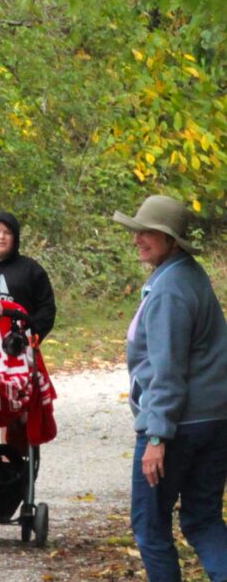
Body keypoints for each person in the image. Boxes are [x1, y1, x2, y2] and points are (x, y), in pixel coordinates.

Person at [114, 194, 227, 582]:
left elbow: (167, 370)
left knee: (150, 526)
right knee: (202, 518)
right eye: (138, 230)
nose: (138, 239)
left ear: (172, 241)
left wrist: (157, 437)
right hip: (213, 420)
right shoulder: (188, 274)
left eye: (149, 233)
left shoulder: (170, 289)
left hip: (178, 426)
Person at [0, 210, 57, 339]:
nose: (1, 237)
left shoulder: (31, 269)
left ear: (15, 237)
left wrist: (31, 334)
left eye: (7, 232)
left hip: (18, 341)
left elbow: (46, 308)